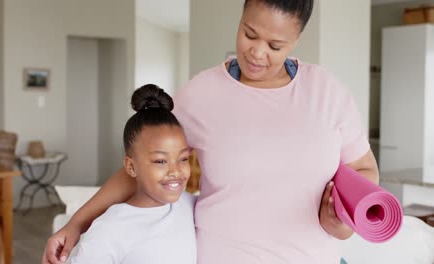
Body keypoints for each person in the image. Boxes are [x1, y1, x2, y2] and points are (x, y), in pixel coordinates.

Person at [43, 0, 379, 263]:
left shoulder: (327, 91)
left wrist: (341, 220)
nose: (257, 53)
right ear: (241, 17)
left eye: (275, 45)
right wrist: (77, 224)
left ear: (296, 39)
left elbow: (364, 169)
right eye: (249, 34)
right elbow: (144, 165)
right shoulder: (201, 94)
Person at [70, 84, 196, 264]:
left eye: (183, 159)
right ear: (131, 167)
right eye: (160, 161)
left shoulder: (193, 207)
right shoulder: (110, 229)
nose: (175, 171)